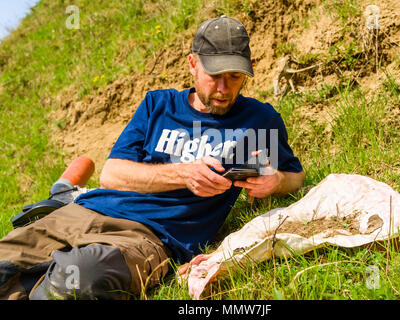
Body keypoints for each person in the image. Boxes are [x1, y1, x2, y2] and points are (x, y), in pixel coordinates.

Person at [0, 15, 305, 300]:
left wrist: (276, 181)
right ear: (192, 64)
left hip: (149, 238)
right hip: (81, 213)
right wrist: (183, 174)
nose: (224, 89)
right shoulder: (157, 105)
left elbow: (296, 177)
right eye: (214, 75)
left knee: (79, 279)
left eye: (235, 76)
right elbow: (112, 175)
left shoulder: (259, 120)